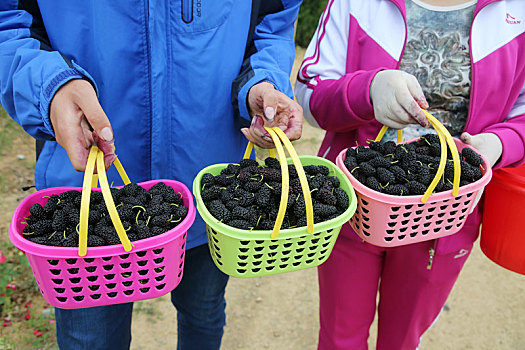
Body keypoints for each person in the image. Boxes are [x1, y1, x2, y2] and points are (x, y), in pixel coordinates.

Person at [0, 1, 303, 349]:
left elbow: (271, 25)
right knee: (91, 340)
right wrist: (50, 88)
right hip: (89, 200)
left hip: (209, 190)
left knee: (203, 312)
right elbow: (8, 24)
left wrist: (260, 83)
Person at [295, 0, 525, 348]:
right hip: (353, 205)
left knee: (402, 341)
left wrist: (497, 143)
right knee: (340, 338)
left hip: (445, 215)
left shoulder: (517, 13)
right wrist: (369, 90)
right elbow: (309, 90)